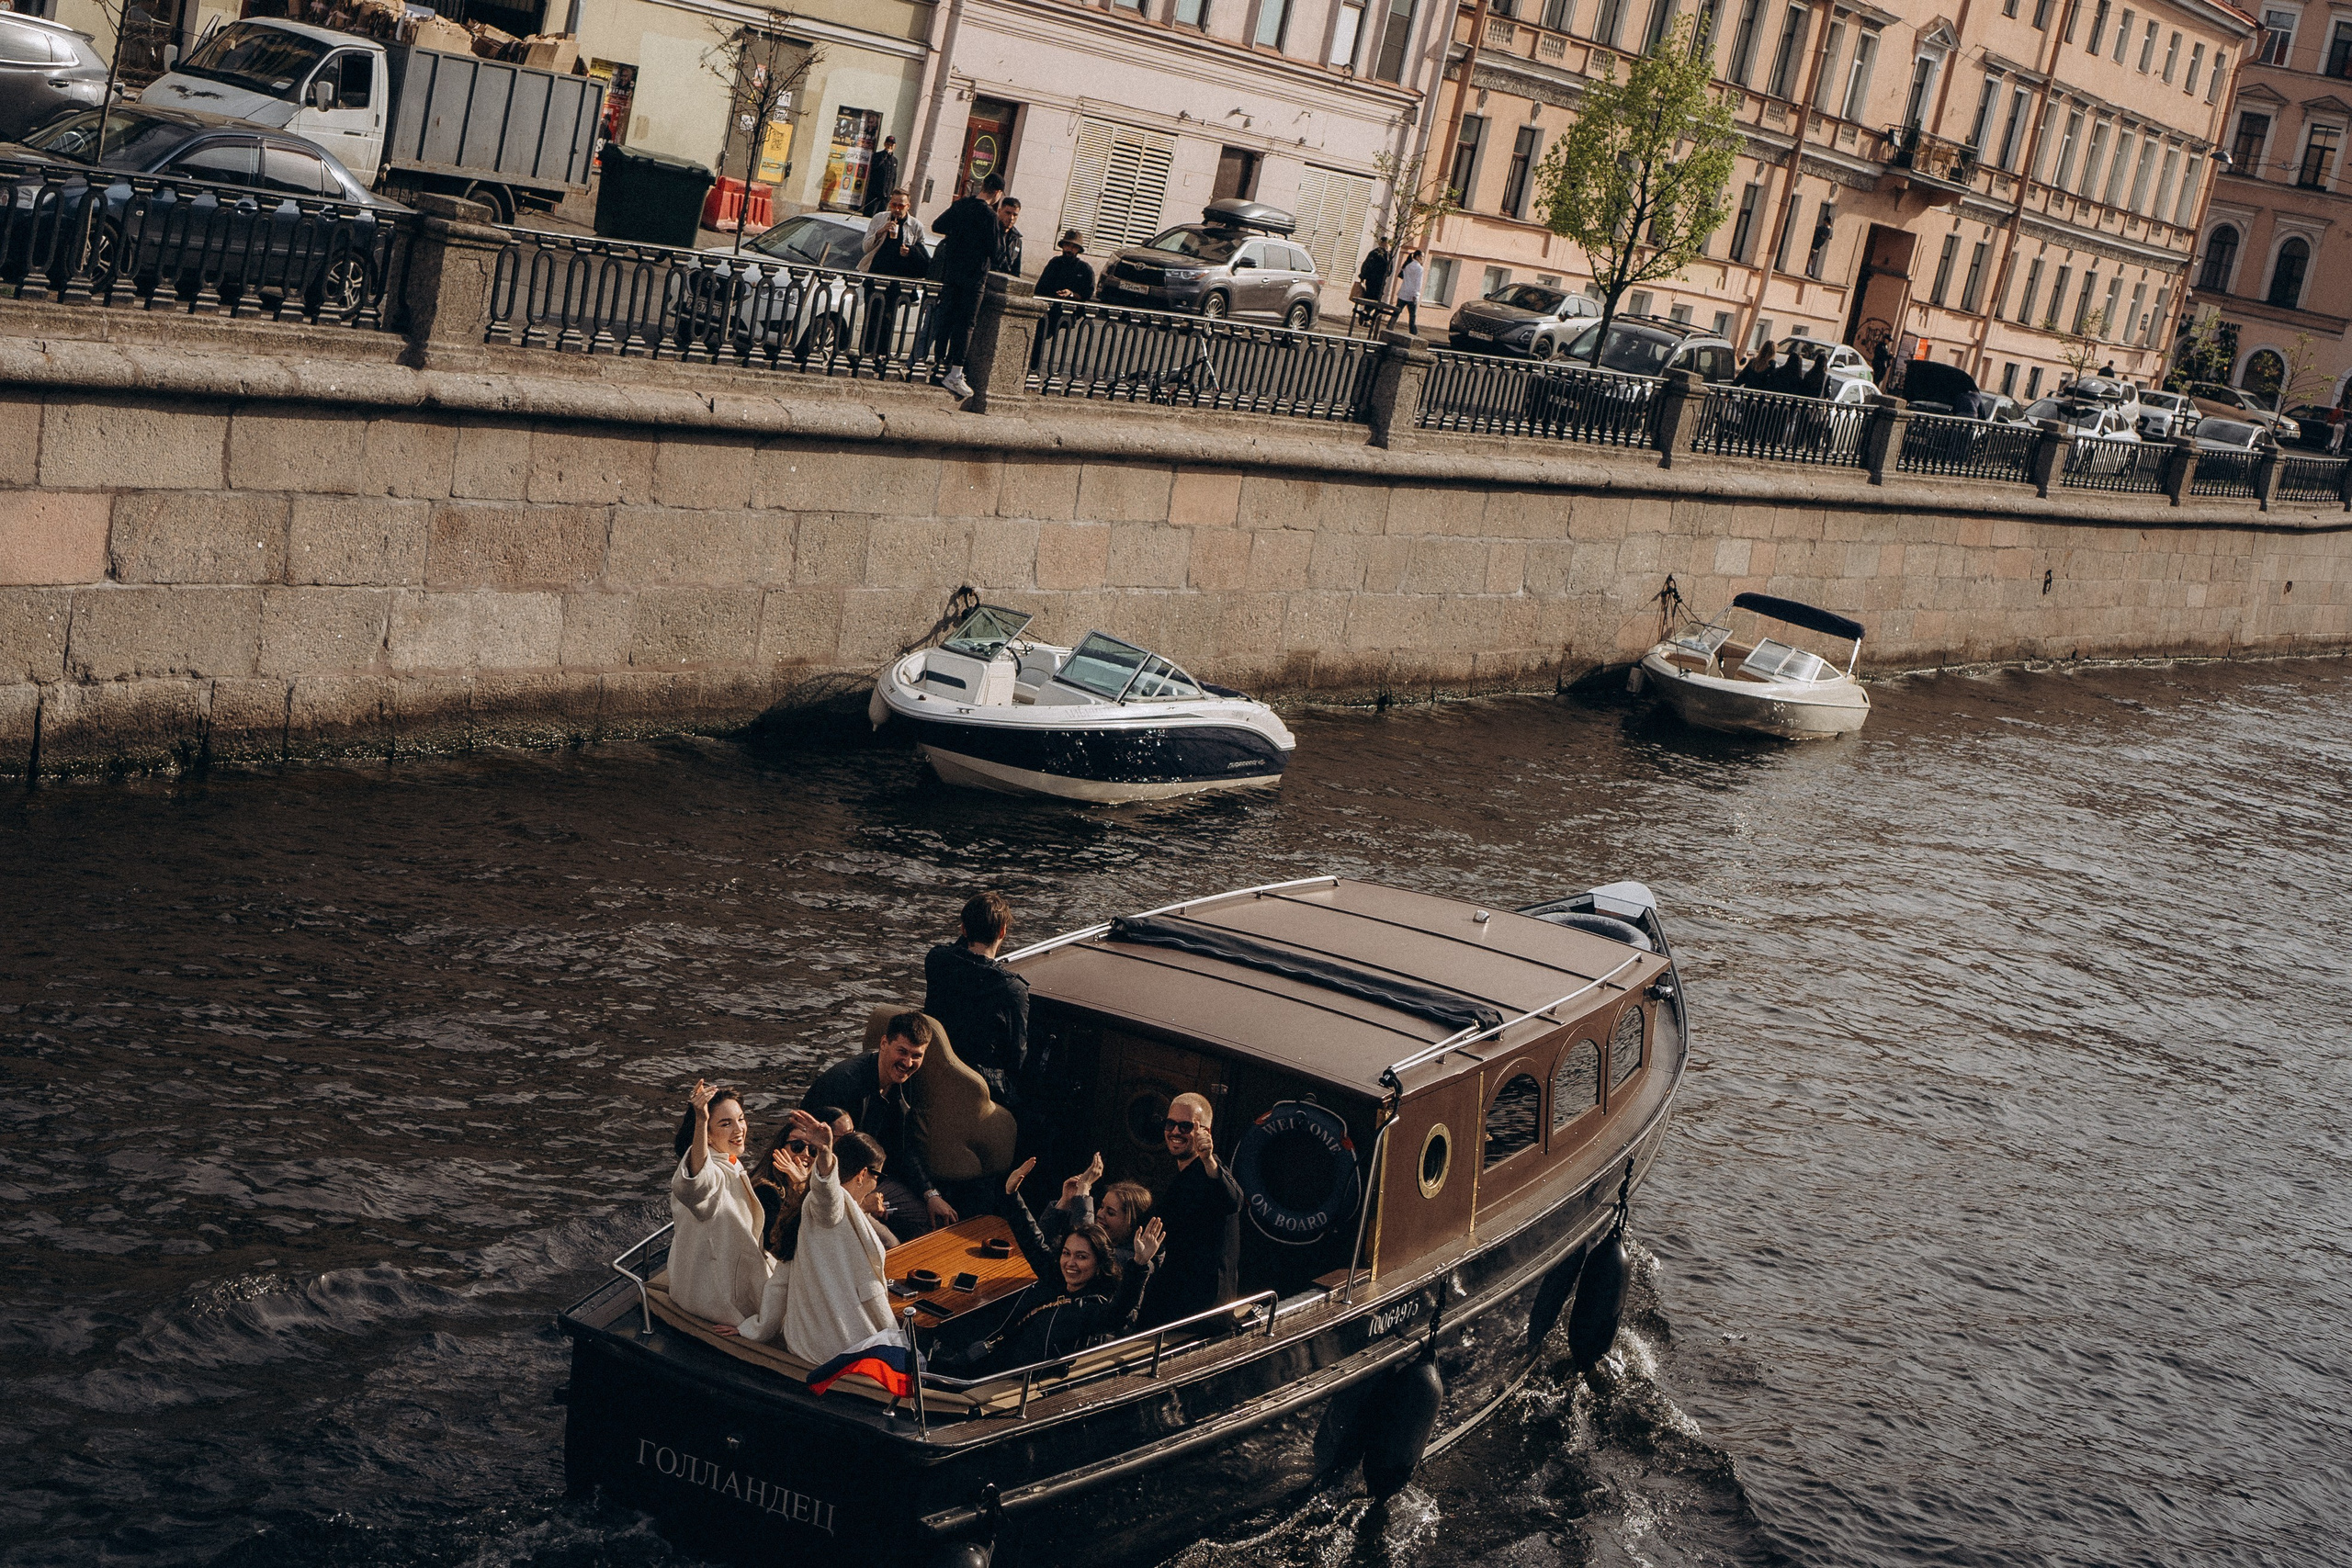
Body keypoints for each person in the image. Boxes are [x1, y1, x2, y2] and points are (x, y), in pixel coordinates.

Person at [940, 1156, 1163, 1375]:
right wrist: (1012, 1195)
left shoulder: (1091, 1304)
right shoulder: (1057, 1275)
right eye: (1067, 1254)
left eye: (1082, 1257)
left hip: (1030, 1376)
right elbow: (1034, 1242)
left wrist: (1140, 1264)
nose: (1071, 1263)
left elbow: (1119, 1313)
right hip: (1001, 1356)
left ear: (1098, 1264)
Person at [764, 1111, 899, 1364]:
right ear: (862, 1174)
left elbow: (780, 1283)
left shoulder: (832, 1208)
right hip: (838, 1342)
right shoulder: (826, 1206)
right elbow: (828, 1197)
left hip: (824, 1336)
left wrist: (758, 1328)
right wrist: (825, 1153)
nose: (877, 1184)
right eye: (877, 1176)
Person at [804, 1013, 956, 1234]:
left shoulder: (904, 1084)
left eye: (916, 1056)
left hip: (871, 1178)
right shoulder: (845, 1084)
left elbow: (903, 1148)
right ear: (884, 1043)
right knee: (887, 1243)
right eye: (902, 1052)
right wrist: (860, 1200)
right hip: (833, 1186)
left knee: (933, 1220)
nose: (908, 1063)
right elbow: (818, 1156)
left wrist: (930, 1194)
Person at [667, 1080, 774, 1328]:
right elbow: (696, 1187)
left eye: (741, 1119)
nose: (739, 1129)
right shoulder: (707, 1171)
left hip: (734, 1274)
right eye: (725, 1124)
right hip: (713, 1296)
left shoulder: (729, 1160)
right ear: (708, 1135)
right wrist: (701, 1120)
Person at [1139, 1092, 1240, 1330]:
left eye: (1185, 1126)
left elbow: (1233, 1200)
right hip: (1177, 1304)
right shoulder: (1180, 1176)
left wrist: (1209, 1161)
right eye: (1170, 1123)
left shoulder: (1209, 1171)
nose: (1175, 1132)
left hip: (1200, 1315)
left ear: (1205, 1132)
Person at [922, 891, 1029, 1104]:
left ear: (963, 929)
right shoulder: (1013, 989)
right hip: (980, 1085)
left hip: (935, 1070)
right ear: (1002, 931)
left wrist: (970, 929)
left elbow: (954, 949)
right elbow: (1017, 1058)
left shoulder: (936, 961)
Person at [928, 173, 1004, 400]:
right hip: (974, 277)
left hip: (952, 273)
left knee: (946, 317)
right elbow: (997, 252)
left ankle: (937, 364)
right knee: (966, 323)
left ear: (982, 186)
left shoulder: (961, 205)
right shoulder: (989, 216)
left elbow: (937, 225)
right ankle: (955, 373)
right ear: (998, 193)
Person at [1041, 1150, 1153, 1269]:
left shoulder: (1133, 1257)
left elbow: (1087, 1247)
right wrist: (1065, 1201)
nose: (1100, 1214)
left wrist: (1084, 1187)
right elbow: (1042, 1245)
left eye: (1110, 1213)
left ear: (1130, 1223)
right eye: (1102, 1207)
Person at [1037, 229, 1094, 301]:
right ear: (1063, 246)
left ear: (1078, 250)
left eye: (1074, 247)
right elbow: (1040, 289)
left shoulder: (1085, 269)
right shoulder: (1054, 263)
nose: (1069, 249)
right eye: (1067, 245)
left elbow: (1087, 295)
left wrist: (1071, 294)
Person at [862, 136, 899, 218]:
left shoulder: (895, 161)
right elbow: (875, 166)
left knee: (880, 217)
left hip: (885, 196)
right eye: (888, 144)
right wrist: (885, 153)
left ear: (895, 146)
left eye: (892, 145)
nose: (890, 146)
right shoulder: (877, 156)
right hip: (874, 194)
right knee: (869, 215)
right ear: (885, 144)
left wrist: (891, 193)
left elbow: (893, 178)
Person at [1354, 239, 1392, 310]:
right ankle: (1367, 313)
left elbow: (1366, 265)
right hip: (1374, 280)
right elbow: (1366, 264)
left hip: (1376, 280)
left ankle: (1367, 313)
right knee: (1372, 297)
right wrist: (1363, 276)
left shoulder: (1387, 255)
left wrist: (1363, 276)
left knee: (1372, 297)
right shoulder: (1377, 253)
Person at [994, 197, 1024, 278]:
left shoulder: (1017, 240)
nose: (1011, 218)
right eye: (1008, 213)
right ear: (999, 211)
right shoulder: (991, 231)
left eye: (1015, 215)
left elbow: (1016, 269)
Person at [1396, 249, 1424, 334]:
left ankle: (1390, 327)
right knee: (1412, 316)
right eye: (1422, 257)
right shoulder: (1420, 268)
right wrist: (1416, 294)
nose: (1423, 258)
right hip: (1412, 295)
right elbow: (1418, 283)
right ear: (1418, 257)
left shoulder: (1407, 266)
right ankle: (1413, 333)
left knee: (1396, 312)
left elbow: (1404, 277)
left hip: (1403, 293)